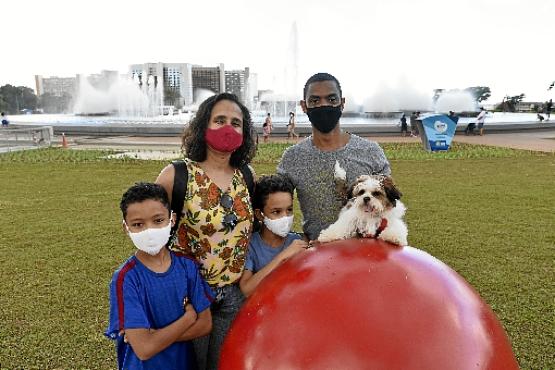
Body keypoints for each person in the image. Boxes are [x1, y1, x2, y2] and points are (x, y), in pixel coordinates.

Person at [155, 92, 256, 370]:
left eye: (236, 123)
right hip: (190, 297)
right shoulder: (176, 175)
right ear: (203, 125)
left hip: (234, 295)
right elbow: (150, 230)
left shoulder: (246, 176)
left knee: (225, 363)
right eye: (219, 120)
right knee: (192, 365)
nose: (228, 128)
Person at [105, 182, 213, 370]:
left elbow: (205, 325)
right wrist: (188, 319)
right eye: (138, 224)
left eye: (157, 221)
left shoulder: (188, 267)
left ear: (172, 219)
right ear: (126, 228)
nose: (149, 231)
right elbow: (144, 349)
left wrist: (156, 337)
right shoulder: (125, 278)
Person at [277, 72, 391, 241]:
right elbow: (275, 208)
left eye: (331, 100)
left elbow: (388, 207)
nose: (323, 106)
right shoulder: (292, 157)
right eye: (315, 101)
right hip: (319, 256)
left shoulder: (370, 151)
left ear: (342, 103)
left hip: (367, 254)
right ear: (304, 106)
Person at [239, 174, 308, 297]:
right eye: (276, 212)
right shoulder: (250, 245)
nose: (285, 217)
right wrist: (283, 257)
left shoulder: (297, 242)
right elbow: (247, 289)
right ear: (259, 214)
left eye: (289, 210)